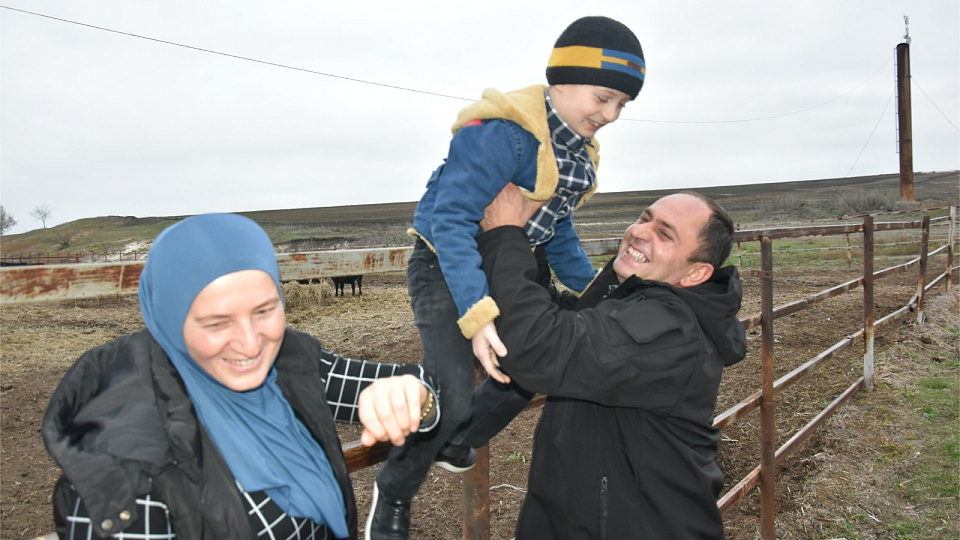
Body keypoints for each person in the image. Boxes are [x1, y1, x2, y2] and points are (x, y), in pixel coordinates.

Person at [368, 16, 646, 539]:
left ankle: (457, 434)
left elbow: (555, 227)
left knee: (542, 354)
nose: (610, 115)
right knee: (450, 390)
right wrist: (476, 315)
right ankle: (395, 489)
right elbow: (450, 221)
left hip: (511, 260)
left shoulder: (576, 152)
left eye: (621, 106)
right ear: (561, 80)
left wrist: (595, 293)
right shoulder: (502, 134)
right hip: (447, 264)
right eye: (604, 97)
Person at [41, 213, 440, 540]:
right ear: (169, 318)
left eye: (265, 311)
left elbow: (432, 392)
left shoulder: (291, 361)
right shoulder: (125, 473)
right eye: (217, 323)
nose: (251, 345)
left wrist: (415, 397)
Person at [474, 185, 747, 539]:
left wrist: (504, 234)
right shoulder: (634, 302)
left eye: (664, 234)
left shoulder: (668, 332)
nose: (639, 231)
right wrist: (532, 237)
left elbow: (541, 348)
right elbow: (559, 320)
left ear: (694, 274)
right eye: (644, 218)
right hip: (579, 517)